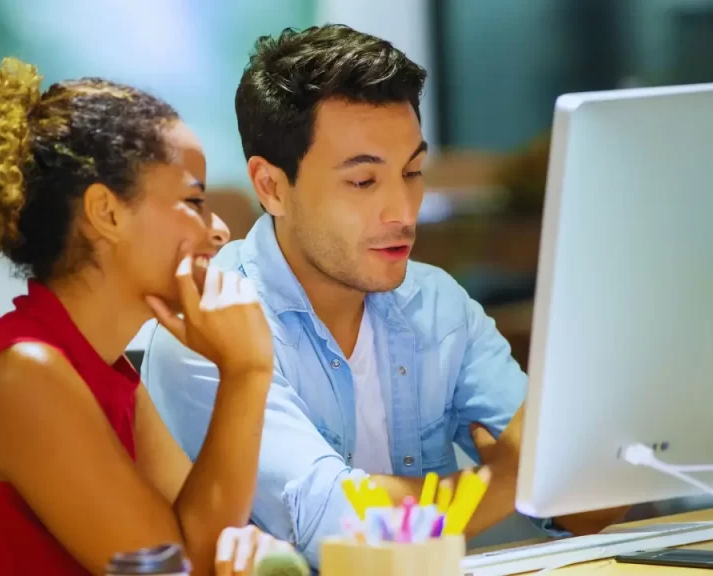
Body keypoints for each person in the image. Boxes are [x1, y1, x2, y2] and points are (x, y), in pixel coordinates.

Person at [143, 24, 628, 567]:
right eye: (363, 182)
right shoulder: (212, 323)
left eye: (413, 171)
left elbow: (587, 493)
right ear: (271, 186)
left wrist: (547, 474)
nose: (402, 210)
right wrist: (509, 476)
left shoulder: (438, 304)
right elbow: (340, 527)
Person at [0, 56, 289, 576]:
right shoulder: (26, 375)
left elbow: (216, 543)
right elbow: (189, 568)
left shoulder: (109, 373)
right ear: (106, 213)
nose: (220, 230)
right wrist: (246, 373)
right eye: (194, 200)